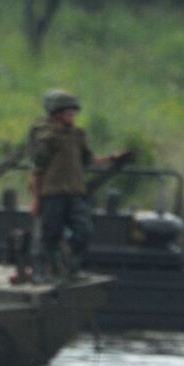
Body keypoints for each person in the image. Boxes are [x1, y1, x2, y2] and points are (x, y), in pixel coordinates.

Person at [30, 90, 124, 282]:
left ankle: (69, 266)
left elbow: (88, 160)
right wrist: (36, 200)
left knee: (84, 230)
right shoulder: (47, 138)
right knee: (50, 235)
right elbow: (37, 170)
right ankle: (43, 272)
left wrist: (112, 158)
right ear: (56, 114)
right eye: (68, 113)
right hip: (53, 193)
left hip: (75, 193)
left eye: (73, 113)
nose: (72, 116)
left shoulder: (78, 135)